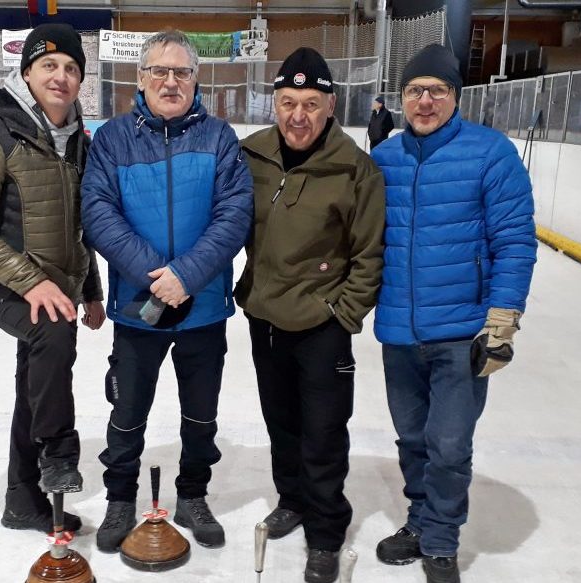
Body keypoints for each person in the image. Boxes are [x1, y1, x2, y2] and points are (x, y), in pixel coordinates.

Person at [80, 29, 253, 553]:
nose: (170, 81)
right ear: (141, 78)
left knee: (201, 413)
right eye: (160, 71)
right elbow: (98, 214)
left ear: (196, 79)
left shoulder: (220, 137)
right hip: (139, 309)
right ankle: (119, 499)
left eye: (181, 72)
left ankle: (193, 495)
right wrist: (159, 275)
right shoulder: (112, 139)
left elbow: (234, 214)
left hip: (202, 308)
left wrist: (187, 277)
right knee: (127, 410)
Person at [370, 44, 537, 583]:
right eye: (415, 90)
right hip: (398, 330)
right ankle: (420, 520)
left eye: (437, 91)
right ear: (400, 98)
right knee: (412, 439)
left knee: (448, 443)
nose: (425, 101)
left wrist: (502, 320)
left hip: (462, 333)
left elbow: (514, 241)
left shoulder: (490, 153)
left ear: (455, 98)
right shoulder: (384, 160)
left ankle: (440, 539)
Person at [0, 23, 106, 535]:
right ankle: (58, 451)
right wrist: (30, 283)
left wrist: (92, 291)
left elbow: (79, 226)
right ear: (27, 71)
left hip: (57, 282)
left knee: (34, 384)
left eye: (72, 68)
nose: (62, 76)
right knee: (52, 332)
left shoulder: (78, 140)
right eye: (49, 65)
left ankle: (23, 499)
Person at [236, 47, 385, 583]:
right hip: (264, 317)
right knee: (282, 422)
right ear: (274, 103)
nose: (298, 115)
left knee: (323, 431)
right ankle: (292, 500)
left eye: (311, 103)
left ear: (330, 106)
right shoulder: (251, 155)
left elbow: (369, 255)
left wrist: (342, 314)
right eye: (287, 102)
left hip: (321, 325)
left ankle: (325, 531)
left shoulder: (355, 169)